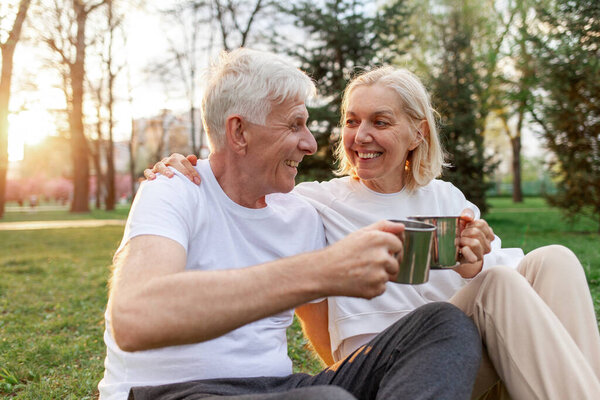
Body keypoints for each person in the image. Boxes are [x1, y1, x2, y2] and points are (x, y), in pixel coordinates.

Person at [152, 66, 600, 399]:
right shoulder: (315, 202)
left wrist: (475, 262)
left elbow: (505, 278)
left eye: (380, 122)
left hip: (463, 354)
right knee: (499, 285)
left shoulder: (446, 198)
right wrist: (187, 164)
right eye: (351, 121)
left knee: (554, 258)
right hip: (391, 370)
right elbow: (240, 174)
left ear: (416, 134)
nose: (360, 135)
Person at [99, 49, 483, 400]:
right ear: (238, 132)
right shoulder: (174, 190)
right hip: (173, 392)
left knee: (442, 323)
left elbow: (326, 347)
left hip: (281, 388)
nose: (312, 144)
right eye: (295, 125)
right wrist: (320, 270)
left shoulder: (301, 214)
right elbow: (133, 319)